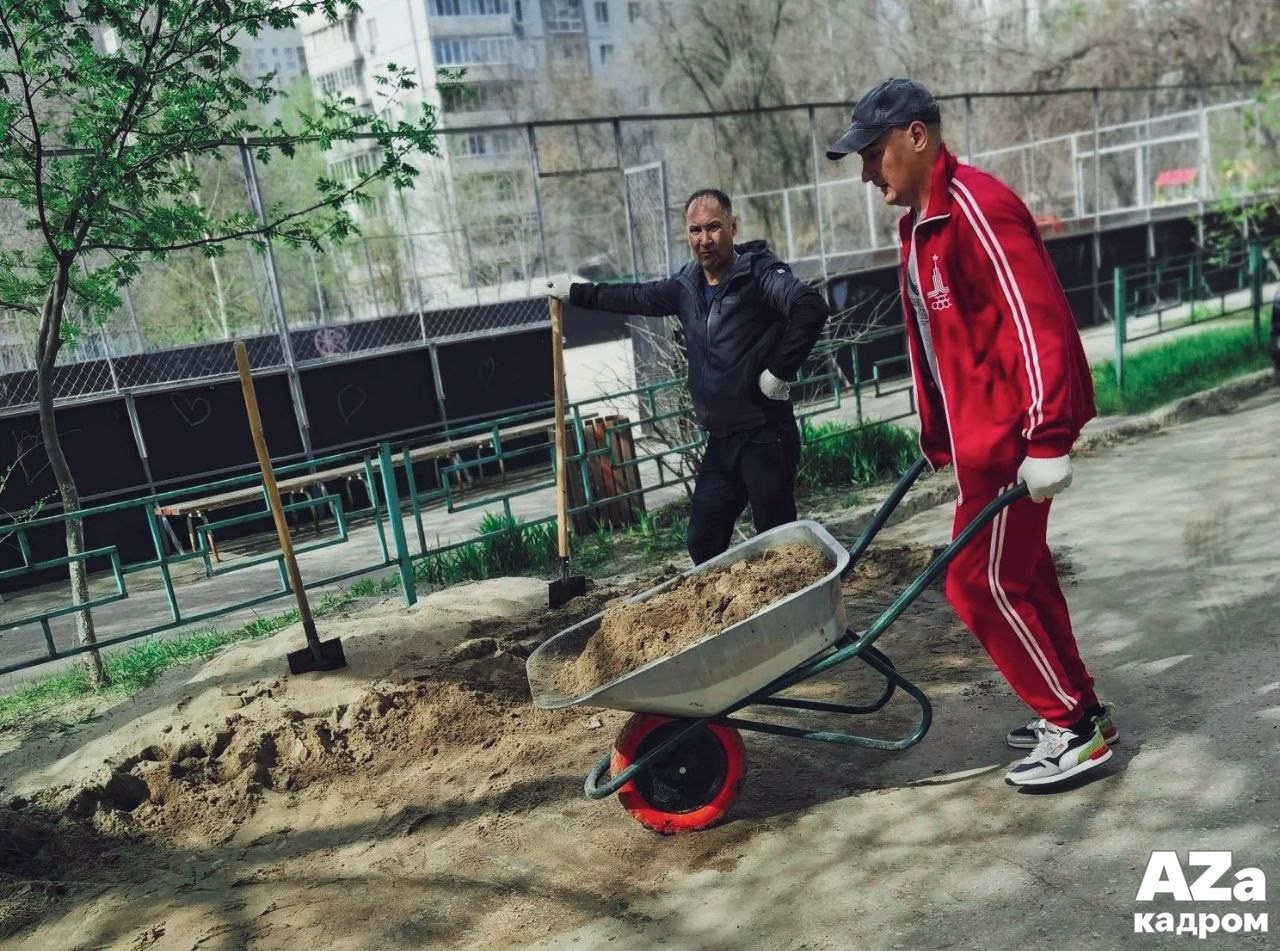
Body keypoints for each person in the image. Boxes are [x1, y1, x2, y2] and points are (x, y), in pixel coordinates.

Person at [827, 78, 1116, 787]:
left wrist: (1049, 437)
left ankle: (1075, 729)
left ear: (915, 137)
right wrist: (938, 434)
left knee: (974, 583)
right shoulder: (920, 228)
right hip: (981, 445)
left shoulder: (977, 209)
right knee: (1025, 576)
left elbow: (1035, 319)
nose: (867, 171)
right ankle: (1079, 709)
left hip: (1017, 442)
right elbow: (940, 342)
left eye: (873, 153)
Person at [542, 189, 829, 566]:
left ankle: (806, 619)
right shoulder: (687, 286)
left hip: (765, 435)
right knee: (702, 540)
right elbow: (636, 296)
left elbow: (810, 306)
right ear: (686, 234)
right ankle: (735, 613)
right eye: (695, 230)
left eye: (713, 228)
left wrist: (778, 371)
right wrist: (575, 292)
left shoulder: (759, 274)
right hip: (721, 440)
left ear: (732, 226)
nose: (704, 239)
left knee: (778, 543)